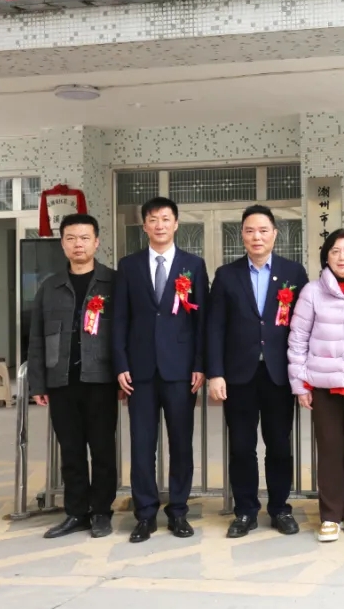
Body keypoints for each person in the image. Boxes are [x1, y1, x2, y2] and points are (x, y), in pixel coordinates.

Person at [206, 205, 309, 538]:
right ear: (242, 235)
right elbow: (215, 327)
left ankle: (280, 508)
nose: (257, 237)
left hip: (279, 374)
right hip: (239, 375)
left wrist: (304, 373)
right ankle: (245, 511)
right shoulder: (226, 275)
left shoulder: (294, 273)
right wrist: (215, 373)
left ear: (275, 234)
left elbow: (305, 325)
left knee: (279, 445)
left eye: (263, 230)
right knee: (241, 447)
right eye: (250, 231)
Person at [113, 197, 208, 543]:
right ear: (144, 226)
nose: (159, 225)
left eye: (166, 219)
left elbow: (201, 320)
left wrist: (200, 364)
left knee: (181, 444)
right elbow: (119, 319)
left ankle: (178, 511)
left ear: (176, 223)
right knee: (142, 446)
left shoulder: (193, 265)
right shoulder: (129, 265)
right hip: (139, 372)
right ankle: (145, 514)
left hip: (180, 370)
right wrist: (121, 364)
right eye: (153, 219)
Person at [28, 214, 118, 539]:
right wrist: (38, 382)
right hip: (62, 381)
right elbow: (37, 338)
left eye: (84, 238)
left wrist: (124, 375)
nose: (78, 244)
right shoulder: (49, 287)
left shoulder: (113, 283)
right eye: (70, 238)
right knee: (71, 450)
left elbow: (125, 333)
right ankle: (76, 512)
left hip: (102, 381)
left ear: (96, 242)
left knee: (103, 449)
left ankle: (102, 512)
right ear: (62, 244)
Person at [289, 229, 344, 543]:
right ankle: (329, 515)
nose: (342, 257)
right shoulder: (312, 291)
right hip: (323, 385)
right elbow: (297, 340)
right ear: (326, 256)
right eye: (335, 251)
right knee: (329, 449)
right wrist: (299, 384)